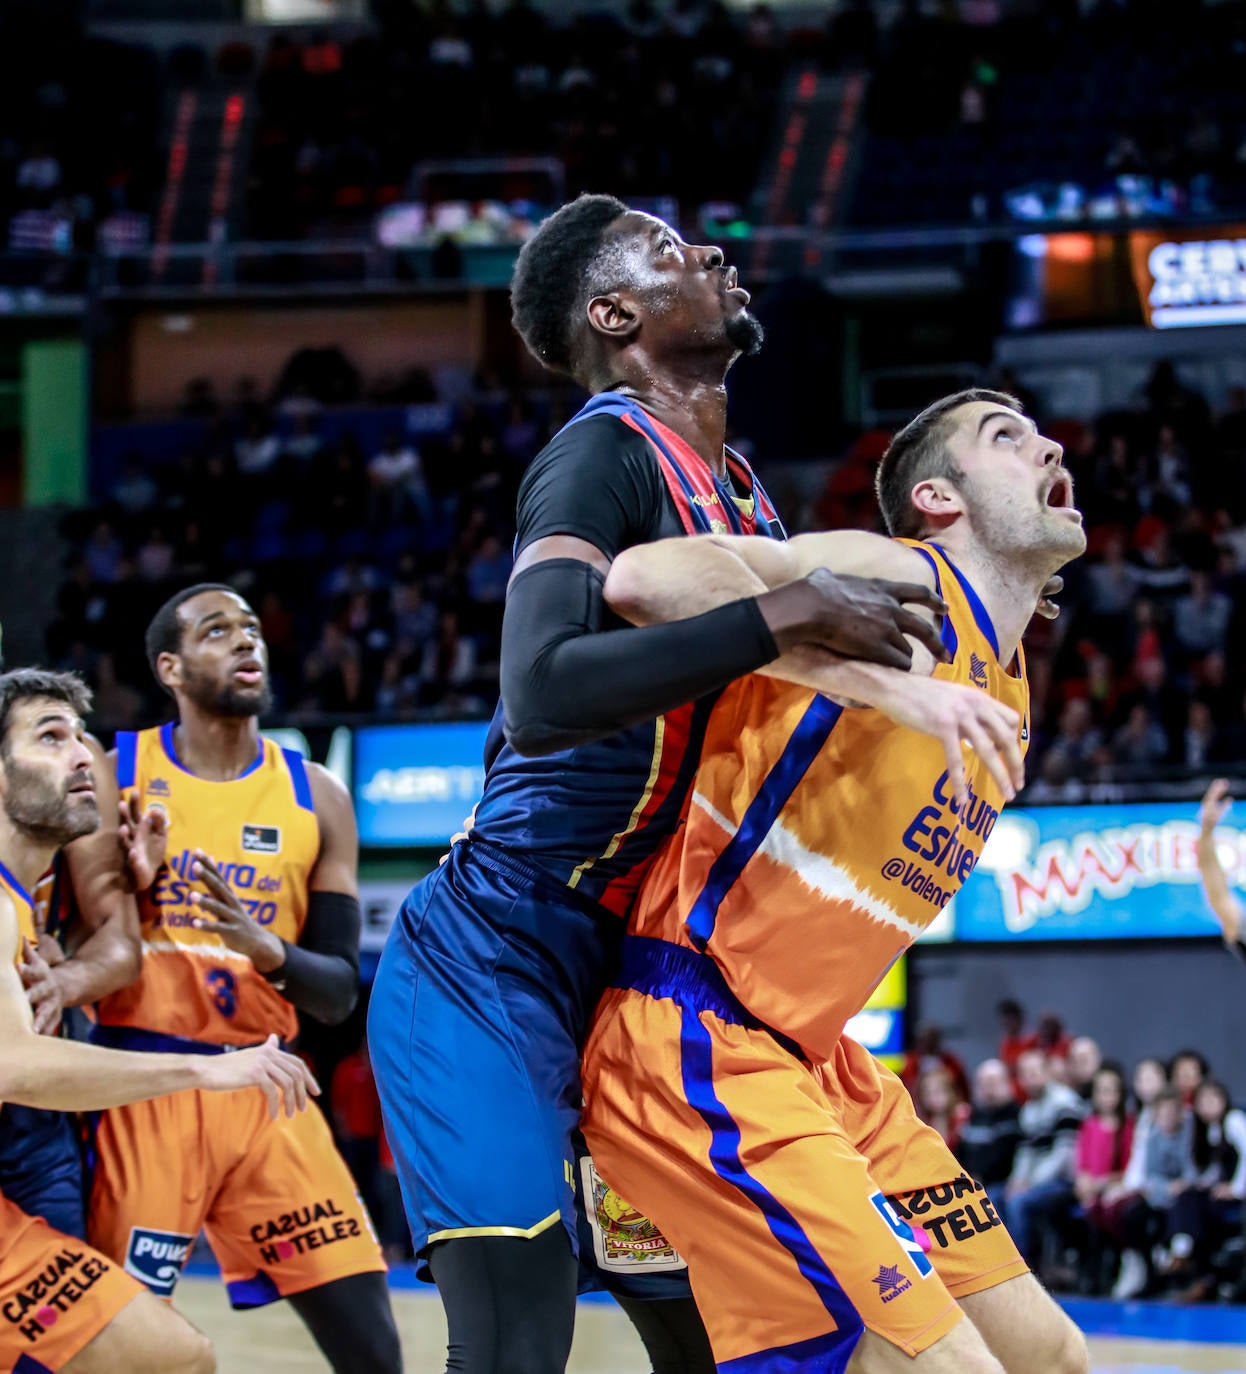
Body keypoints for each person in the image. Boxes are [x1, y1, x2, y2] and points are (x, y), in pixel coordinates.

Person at [367, 198, 1013, 1374]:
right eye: (670, 254)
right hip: (496, 958)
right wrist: (789, 612)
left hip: (642, 982)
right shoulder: (603, 448)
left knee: (721, 1340)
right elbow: (541, 689)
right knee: (517, 1342)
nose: (711, 256)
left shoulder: (745, 496)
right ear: (615, 315)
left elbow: (795, 655)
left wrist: (908, 690)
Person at [581, 388, 1089, 1373]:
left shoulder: (1010, 679)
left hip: (820, 1064)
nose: (1048, 445)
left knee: (1050, 1358)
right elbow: (644, 579)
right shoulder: (897, 577)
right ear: (938, 497)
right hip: (698, 1034)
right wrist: (881, 678)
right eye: (1006, 437)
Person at [63, 585, 402, 1373]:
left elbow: (336, 993)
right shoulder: (116, 774)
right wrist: (131, 886)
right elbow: (75, 933)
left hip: (268, 1085)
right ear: (170, 668)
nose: (247, 643)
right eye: (218, 632)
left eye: (253, 629)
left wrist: (265, 947)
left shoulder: (317, 794)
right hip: (145, 1084)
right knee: (126, 1350)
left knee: (374, 1348)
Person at [0, 667, 316, 1374]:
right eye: (50, 738)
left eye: (82, 736)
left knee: (167, 1356)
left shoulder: (29, 896)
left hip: (25, 1147)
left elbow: (109, 950)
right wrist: (207, 1068)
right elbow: (12, 1065)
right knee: (173, 1358)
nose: (84, 754)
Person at [1003, 1050, 1086, 1270]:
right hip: (1037, 1183)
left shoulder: (1065, 1103)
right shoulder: (1028, 1110)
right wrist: (1017, 1180)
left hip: (1065, 1180)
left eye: (1034, 1071)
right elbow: (1025, 1153)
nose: (1029, 1078)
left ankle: (1023, 1269)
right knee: (997, 1198)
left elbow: (1064, 1155)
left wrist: (1030, 1184)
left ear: (1048, 1072)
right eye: (1024, 1073)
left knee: (1019, 1202)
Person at [1073, 1065, 1134, 1293]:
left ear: (1120, 1094)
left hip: (1115, 1187)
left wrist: (1103, 1183)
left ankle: (1114, 1267)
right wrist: (1083, 1181)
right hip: (1091, 1190)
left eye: (1110, 1091)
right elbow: (1082, 1163)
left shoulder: (1128, 1126)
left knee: (1106, 1209)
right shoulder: (1089, 1125)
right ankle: (1090, 1271)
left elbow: (1129, 1168)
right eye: (1100, 1091)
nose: (1105, 1097)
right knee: (1087, 1212)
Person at [958, 1059, 1022, 1193]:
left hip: (1001, 1183)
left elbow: (1005, 1157)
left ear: (1007, 1084)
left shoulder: (1014, 1115)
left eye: (993, 1083)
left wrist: (979, 1176)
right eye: (983, 1084)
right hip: (971, 1181)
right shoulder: (974, 1116)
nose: (988, 1090)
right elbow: (961, 1153)